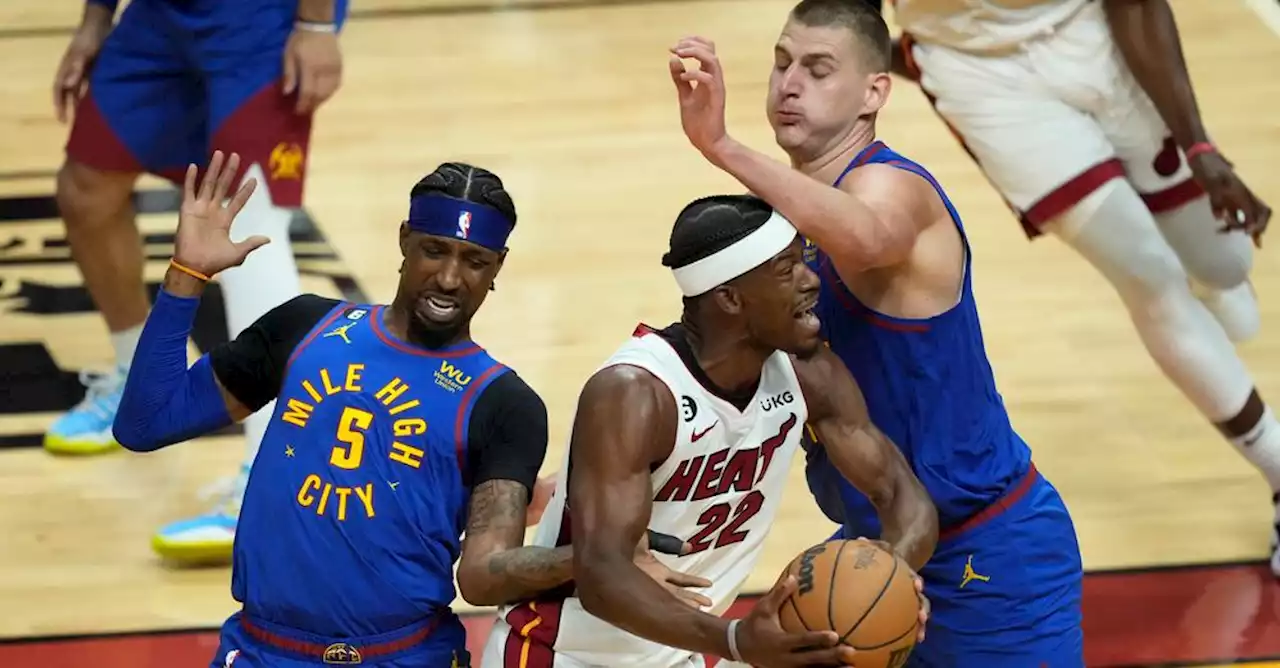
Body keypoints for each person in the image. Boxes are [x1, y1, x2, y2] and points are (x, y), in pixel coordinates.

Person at [112, 152, 702, 667]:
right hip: (266, 651)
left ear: (497, 268)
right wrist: (186, 276)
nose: (448, 277)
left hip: (405, 656)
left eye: (474, 260)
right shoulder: (304, 327)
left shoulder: (505, 404)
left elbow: (481, 573)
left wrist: (595, 560)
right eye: (434, 250)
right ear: (403, 240)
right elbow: (145, 423)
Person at [669, 1, 1084, 665]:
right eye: (780, 64)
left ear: (874, 91)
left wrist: (721, 145)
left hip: (990, 553)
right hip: (880, 549)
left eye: (817, 68)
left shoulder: (893, 188)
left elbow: (865, 238)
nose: (788, 84)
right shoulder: (788, 225)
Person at [871, 0, 1279, 575]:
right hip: (983, 78)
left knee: (1225, 262)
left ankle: (1210, 279)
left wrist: (1200, 148)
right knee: (1147, 275)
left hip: (1090, 32)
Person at [481, 194, 938, 668]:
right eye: (786, 270)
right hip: (564, 653)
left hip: (686, 649)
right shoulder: (634, 394)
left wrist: (887, 580)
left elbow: (902, 495)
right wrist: (736, 640)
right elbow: (602, 577)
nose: (811, 280)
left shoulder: (809, 373)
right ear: (730, 297)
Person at [48, 0, 347, 565]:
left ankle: (274, 481)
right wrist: (94, 21)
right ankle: (131, 371)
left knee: (245, 219)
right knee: (86, 186)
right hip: (162, 14)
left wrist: (315, 23)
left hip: (263, 19)